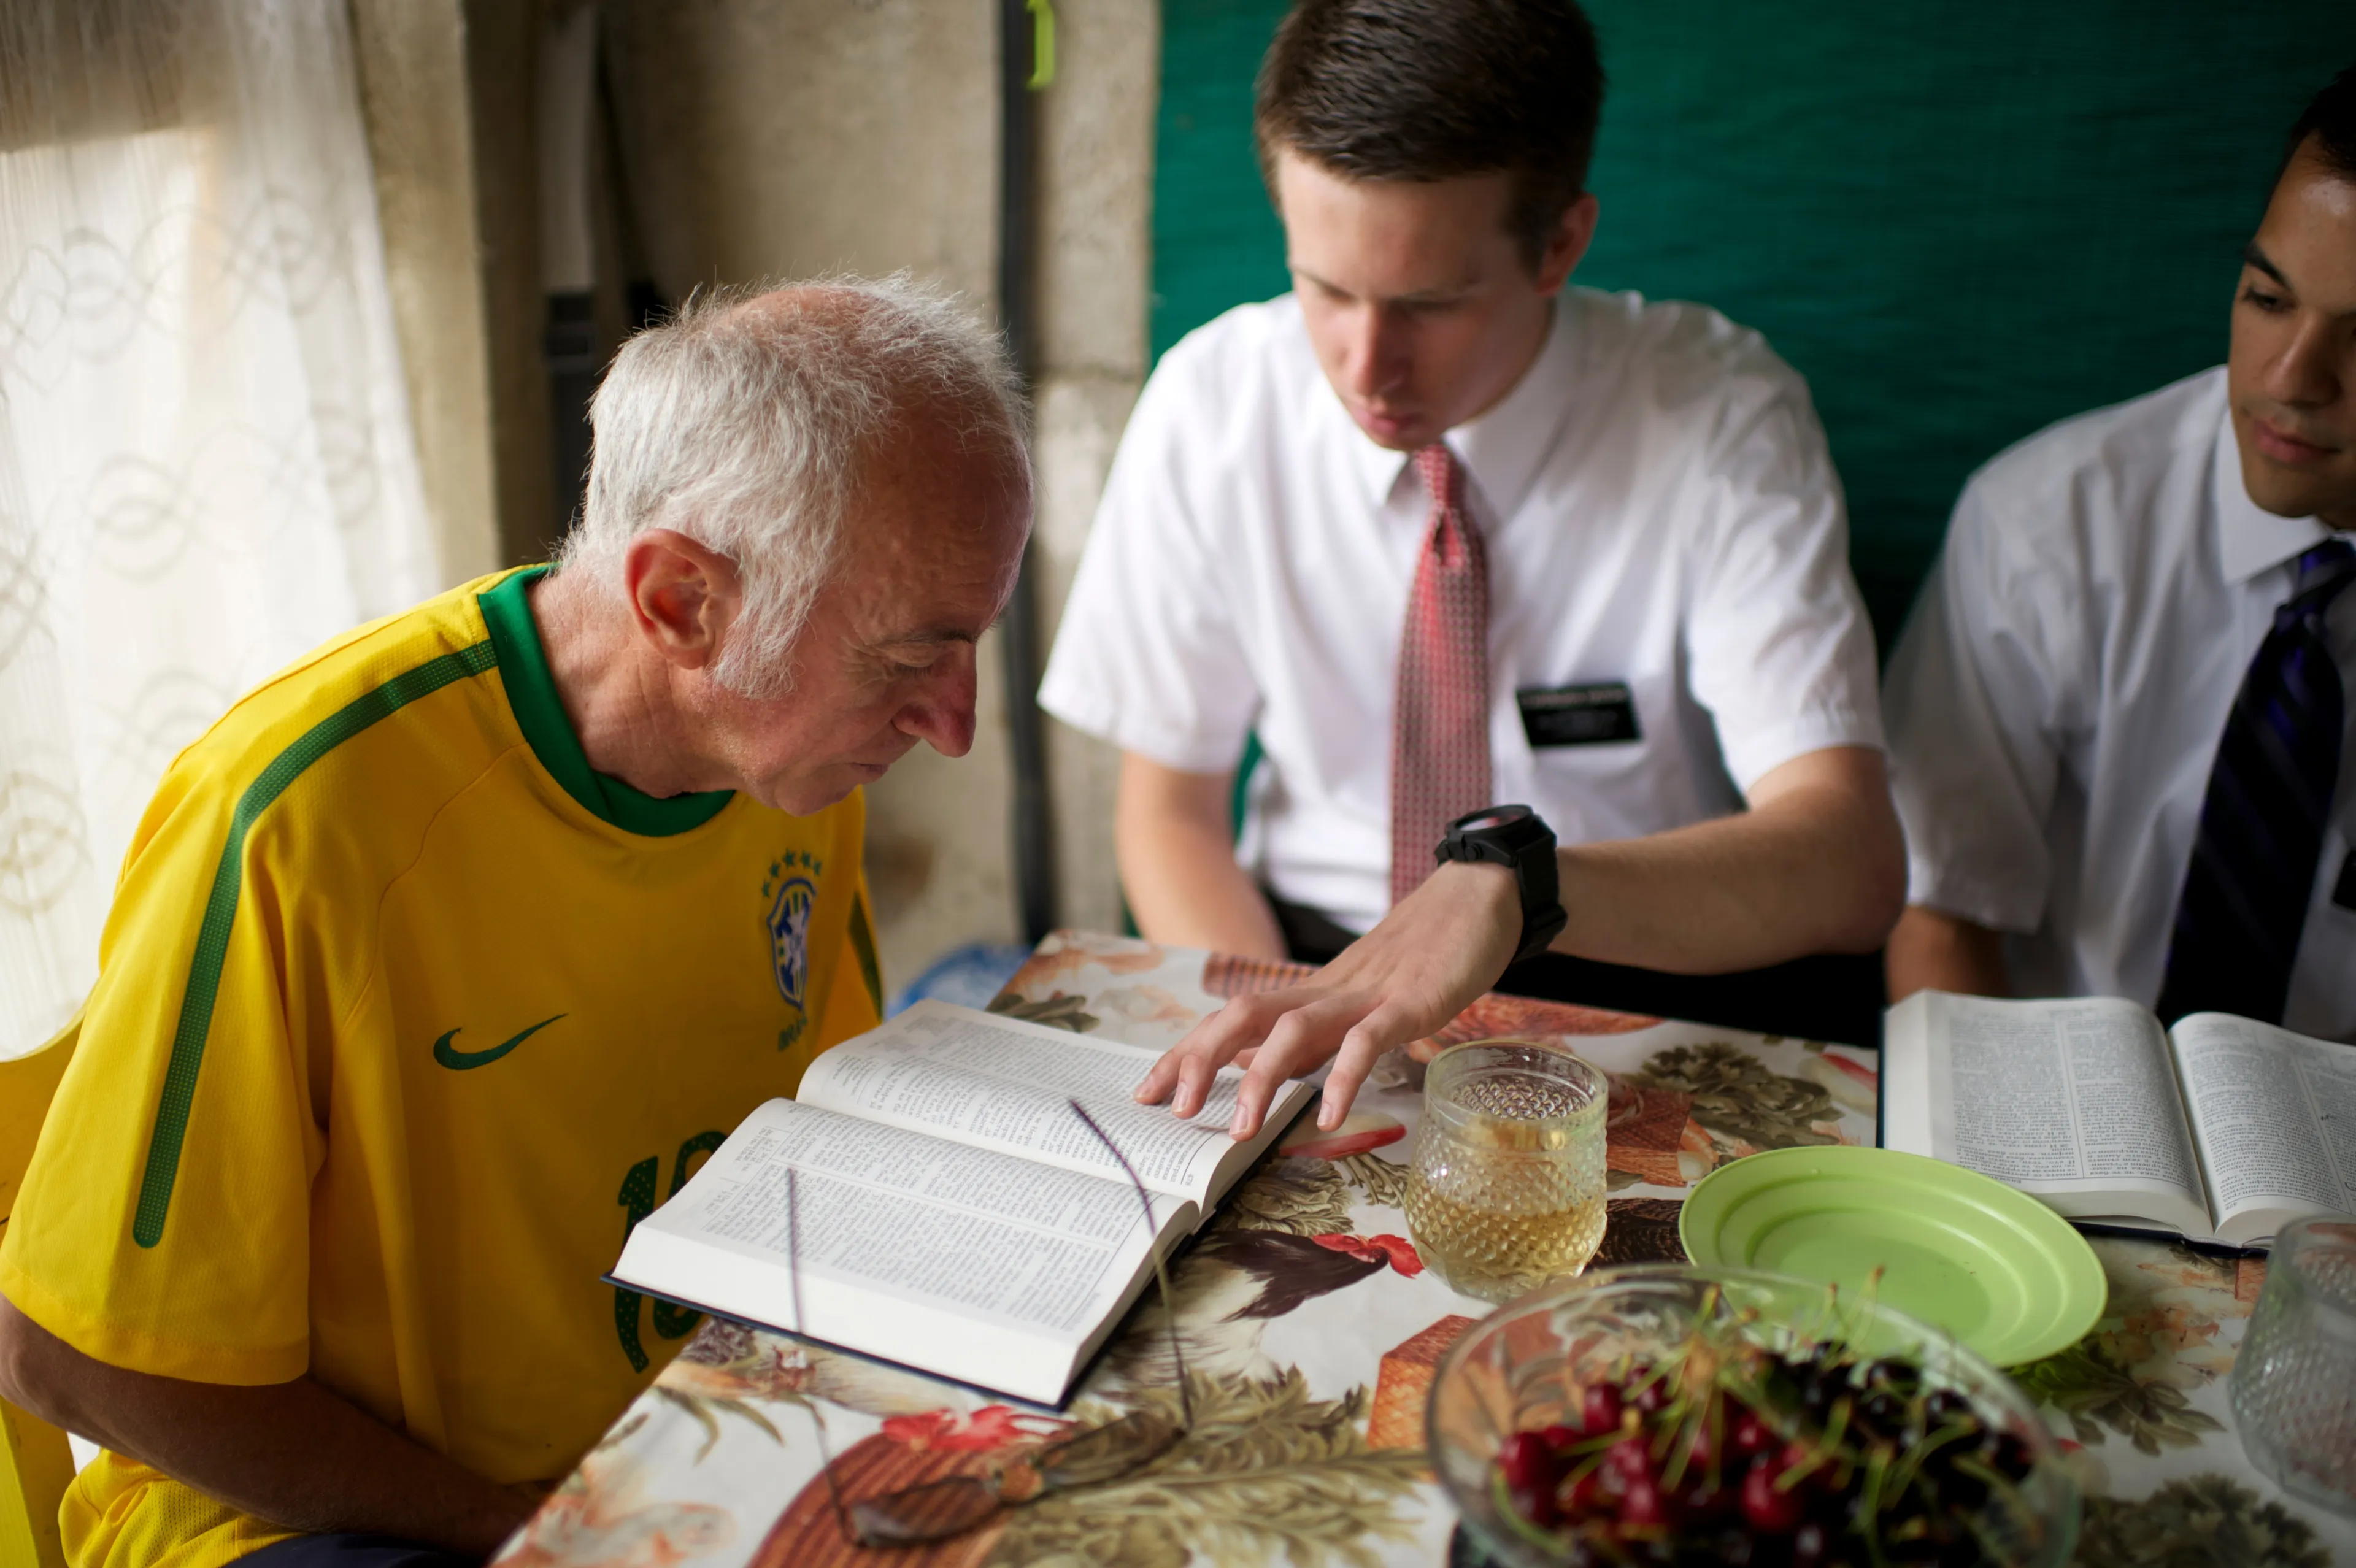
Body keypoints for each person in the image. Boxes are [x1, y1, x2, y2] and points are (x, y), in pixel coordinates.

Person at [0, 279, 1031, 1568]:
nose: (955, 724)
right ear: (682, 604)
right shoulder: (304, 820)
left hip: (659, 1456)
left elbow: (811, 1137)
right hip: (333, 1522)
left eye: (973, 643)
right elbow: (70, 1360)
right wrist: (536, 1535)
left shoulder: (790, 764)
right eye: (907, 661)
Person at [1050, 0, 1904, 1130]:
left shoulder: (1718, 414)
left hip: (1639, 966)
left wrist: (1515, 891)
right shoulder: (1212, 403)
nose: (1366, 367)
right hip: (1304, 955)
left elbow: (1850, 864)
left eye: (1431, 303)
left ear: (1561, 244)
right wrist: (1287, 1042)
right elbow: (1170, 817)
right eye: (1326, 288)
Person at [1881, 65, 2356, 1037]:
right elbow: (1941, 913)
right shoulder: (2047, 525)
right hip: (2066, 1118)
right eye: (2268, 298)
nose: (2291, 379)